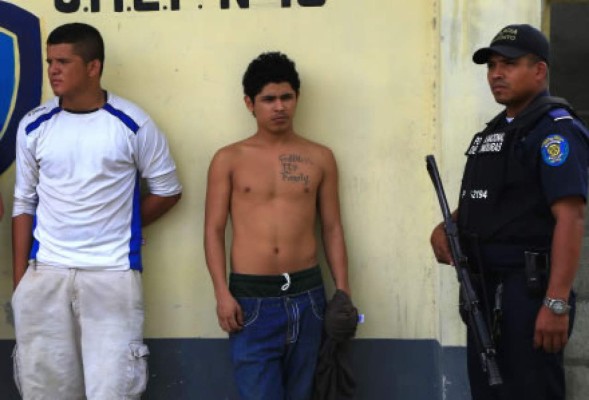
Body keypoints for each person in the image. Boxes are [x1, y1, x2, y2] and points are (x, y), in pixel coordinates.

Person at [11, 23, 182, 399]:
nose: (53, 70)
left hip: (112, 276)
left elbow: (168, 191)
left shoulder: (132, 123)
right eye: (49, 61)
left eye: (63, 61)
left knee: (113, 390)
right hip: (46, 275)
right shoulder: (34, 124)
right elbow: (23, 203)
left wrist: (122, 223)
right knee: (45, 391)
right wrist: (20, 283)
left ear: (93, 67)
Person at [431, 24, 589, 400]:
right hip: (483, 289)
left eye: (509, 64)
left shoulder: (555, 132)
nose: (496, 74)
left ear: (539, 71)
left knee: (530, 391)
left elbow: (570, 218)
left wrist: (556, 302)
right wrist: (445, 227)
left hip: (528, 291)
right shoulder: (496, 131)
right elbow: (487, 199)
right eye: (491, 66)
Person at [204, 51, 350, 400]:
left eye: (286, 97)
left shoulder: (320, 157)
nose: (279, 106)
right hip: (251, 301)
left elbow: (331, 227)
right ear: (249, 104)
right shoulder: (229, 159)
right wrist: (222, 293)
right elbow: (213, 229)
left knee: (305, 392)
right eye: (268, 99)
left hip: (308, 297)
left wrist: (342, 293)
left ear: (297, 98)